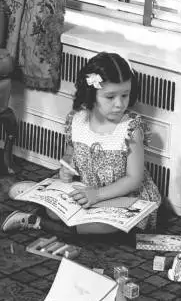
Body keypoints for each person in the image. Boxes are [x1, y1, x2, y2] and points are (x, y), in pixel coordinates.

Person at [2, 52, 161, 237]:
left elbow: (134, 180)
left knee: (98, 226)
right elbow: (69, 155)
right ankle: (44, 206)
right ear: (92, 94)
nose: (119, 104)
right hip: (85, 189)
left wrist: (98, 195)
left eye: (125, 95)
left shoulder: (131, 128)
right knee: (54, 212)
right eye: (110, 97)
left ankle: (35, 221)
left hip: (119, 195)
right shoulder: (77, 120)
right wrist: (66, 168)